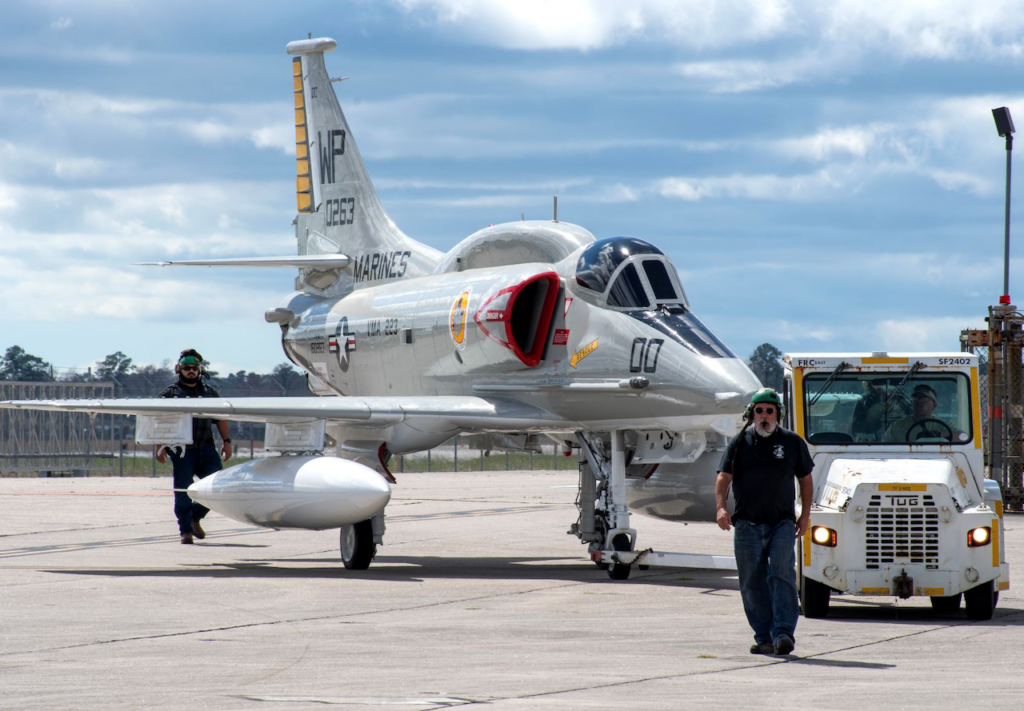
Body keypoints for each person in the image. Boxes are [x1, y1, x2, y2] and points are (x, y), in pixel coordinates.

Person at [715, 388, 814, 656]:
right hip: (746, 524)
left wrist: (804, 516)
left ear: (778, 414)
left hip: (781, 523)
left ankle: (783, 633)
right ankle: (764, 638)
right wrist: (721, 508)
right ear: (751, 414)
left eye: (770, 411)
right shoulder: (738, 443)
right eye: (759, 411)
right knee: (750, 582)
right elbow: (724, 477)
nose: (764, 416)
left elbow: (805, 479)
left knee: (781, 574)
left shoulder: (793, 443)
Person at [156, 349, 232, 544]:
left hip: (206, 448)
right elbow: (160, 420)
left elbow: (220, 418)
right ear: (179, 370)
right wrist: (159, 445)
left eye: (194, 368)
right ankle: (185, 531)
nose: (190, 371)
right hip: (180, 450)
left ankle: (195, 516)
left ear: (200, 370)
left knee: (218, 487)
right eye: (186, 368)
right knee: (183, 490)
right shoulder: (170, 394)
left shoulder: (209, 393)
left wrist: (227, 442)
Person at [882, 383, 957, 442]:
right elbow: (884, 447)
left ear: (934, 406)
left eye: (924, 398)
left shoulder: (944, 425)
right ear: (912, 403)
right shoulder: (897, 425)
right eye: (915, 398)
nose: (919, 402)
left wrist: (938, 435)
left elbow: (963, 437)